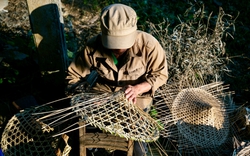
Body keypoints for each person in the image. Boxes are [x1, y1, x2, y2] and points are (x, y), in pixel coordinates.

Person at [65, 3, 168, 156]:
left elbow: (160, 75)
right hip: (101, 96)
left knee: (136, 150)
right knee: (82, 140)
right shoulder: (93, 46)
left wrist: (138, 88)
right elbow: (72, 77)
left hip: (136, 98)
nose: (118, 48)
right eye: (113, 42)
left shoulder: (149, 45)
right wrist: (86, 98)